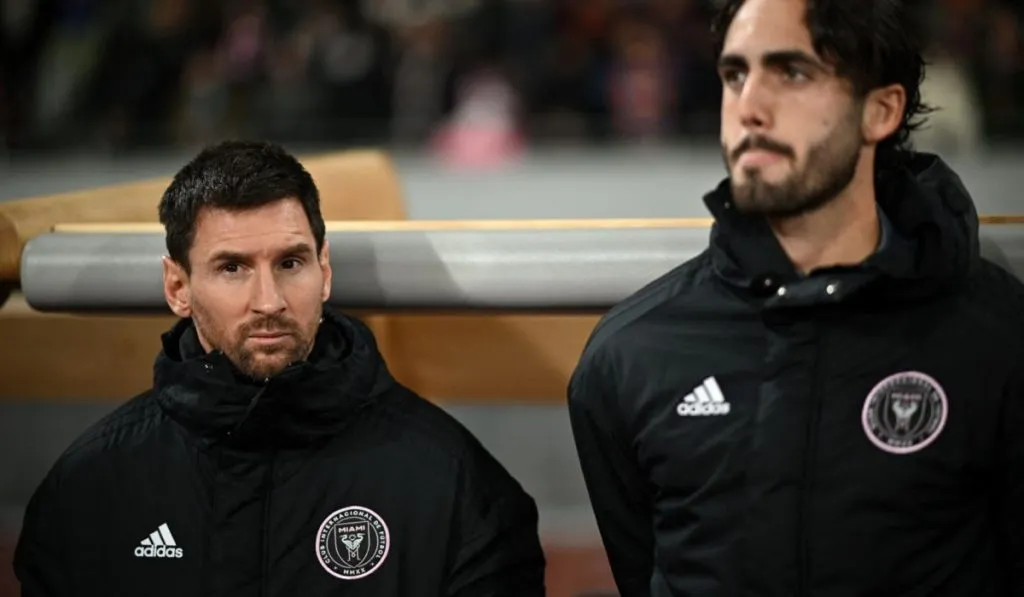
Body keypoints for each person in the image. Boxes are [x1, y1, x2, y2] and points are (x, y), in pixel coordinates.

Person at [567, 0, 1024, 595]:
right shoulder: (629, 356)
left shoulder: (997, 338)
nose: (749, 108)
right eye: (735, 74)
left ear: (881, 110)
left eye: (793, 73)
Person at [14, 140, 547, 596]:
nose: (268, 300)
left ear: (325, 271)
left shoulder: (459, 488)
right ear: (178, 287)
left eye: (290, 263)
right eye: (232, 268)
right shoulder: (87, 490)